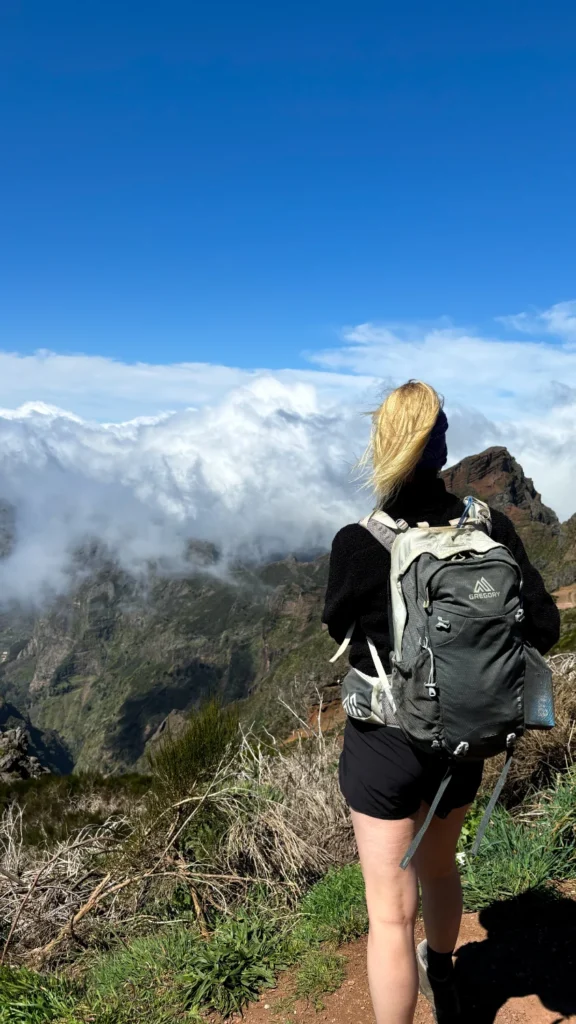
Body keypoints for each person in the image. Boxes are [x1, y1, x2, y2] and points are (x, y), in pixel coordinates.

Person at [322, 381, 560, 1024]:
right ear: (444, 444)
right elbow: (545, 626)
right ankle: (445, 974)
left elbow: (337, 625)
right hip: (464, 738)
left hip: (384, 752)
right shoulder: (491, 528)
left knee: (389, 914)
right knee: (441, 873)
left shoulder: (357, 542)